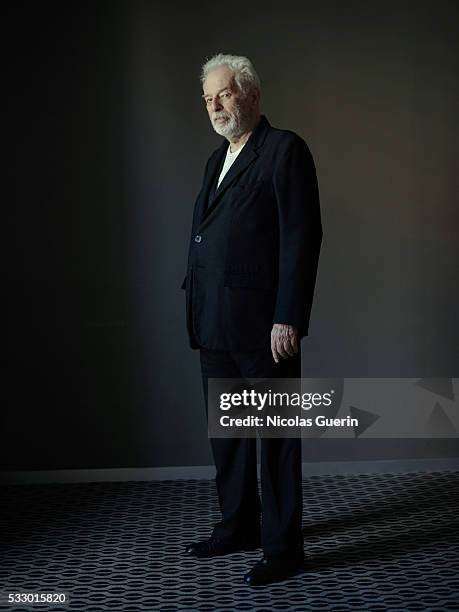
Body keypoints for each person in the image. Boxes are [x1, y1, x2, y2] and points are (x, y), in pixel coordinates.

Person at [181, 53, 322, 586]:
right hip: (213, 321)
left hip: (265, 325)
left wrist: (289, 317)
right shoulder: (216, 157)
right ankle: (238, 525)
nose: (215, 106)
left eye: (224, 94)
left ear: (252, 95)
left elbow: (300, 239)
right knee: (230, 436)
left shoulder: (284, 150)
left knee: (277, 439)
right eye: (208, 99)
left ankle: (284, 548)